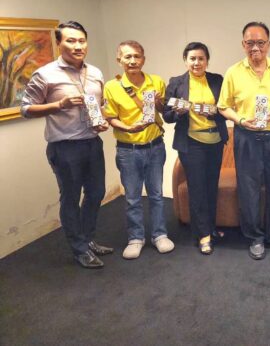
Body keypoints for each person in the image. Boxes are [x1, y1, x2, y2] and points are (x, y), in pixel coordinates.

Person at [20, 21, 113, 269]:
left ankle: (88, 239)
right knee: (70, 198)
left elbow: (100, 106)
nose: (78, 46)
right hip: (65, 147)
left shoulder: (95, 73)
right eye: (71, 41)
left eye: (82, 40)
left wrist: (102, 120)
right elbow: (25, 109)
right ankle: (79, 249)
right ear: (59, 43)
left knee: (96, 193)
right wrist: (58, 105)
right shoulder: (45, 74)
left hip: (92, 143)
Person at [218, 22, 270, 260]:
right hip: (246, 137)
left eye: (260, 42)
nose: (255, 48)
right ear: (243, 44)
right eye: (250, 43)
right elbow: (223, 106)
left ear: (268, 44)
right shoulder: (233, 72)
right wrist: (240, 120)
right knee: (248, 190)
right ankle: (255, 237)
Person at [103, 40, 174, 259]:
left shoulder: (156, 82)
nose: (133, 61)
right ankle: (136, 238)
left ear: (144, 59)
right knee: (132, 197)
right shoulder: (111, 87)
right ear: (119, 60)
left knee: (156, 195)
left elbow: (164, 111)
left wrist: (160, 103)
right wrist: (127, 128)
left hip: (155, 146)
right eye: (128, 57)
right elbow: (110, 117)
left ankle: (160, 234)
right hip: (128, 149)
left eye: (137, 56)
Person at [163, 42, 228, 255]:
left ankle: (210, 227)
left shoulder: (217, 80)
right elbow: (167, 115)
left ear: (207, 61)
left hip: (215, 141)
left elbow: (227, 108)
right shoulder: (176, 82)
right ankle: (203, 235)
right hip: (191, 143)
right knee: (197, 189)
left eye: (201, 58)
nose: (197, 62)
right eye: (192, 58)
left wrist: (214, 112)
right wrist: (179, 112)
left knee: (211, 187)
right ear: (185, 60)